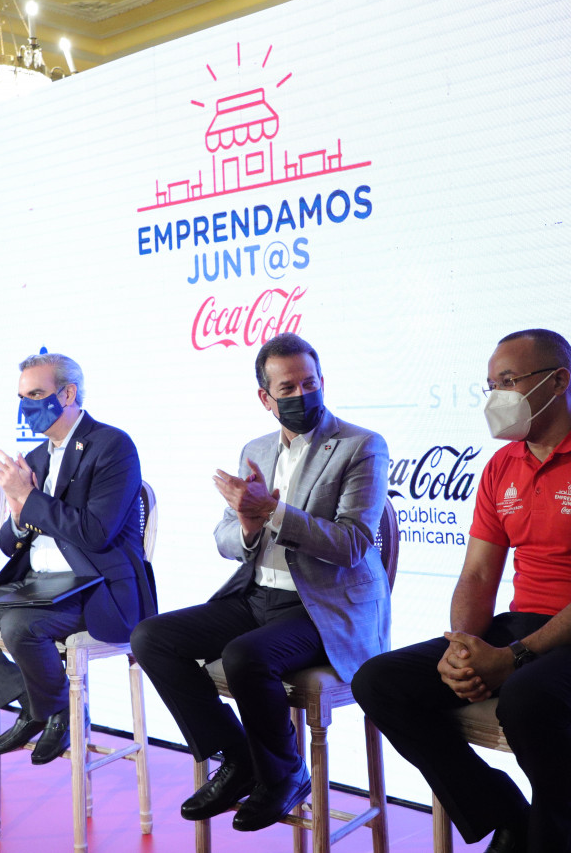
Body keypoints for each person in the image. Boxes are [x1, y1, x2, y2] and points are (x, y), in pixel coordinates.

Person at [351, 329, 571, 853]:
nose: (496, 397)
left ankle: (559, 835)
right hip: (525, 631)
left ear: (558, 381)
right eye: (490, 385)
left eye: (508, 381)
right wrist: (461, 646)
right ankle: (509, 816)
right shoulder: (502, 465)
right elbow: (478, 576)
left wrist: (515, 658)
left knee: (527, 697)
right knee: (379, 681)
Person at [130, 332, 391, 833]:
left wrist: (273, 511)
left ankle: (284, 773)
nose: (301, 395)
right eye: (287, 388)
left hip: (325, 607)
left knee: (245, 656)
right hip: (257, 596)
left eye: (309, 383)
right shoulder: (256, 449)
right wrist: (250, 525)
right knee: (151, 638)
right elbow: (225, 536)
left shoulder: (360, 445)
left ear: (322, 381)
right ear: (265, 398)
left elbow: (353, 543)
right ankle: (239, 757)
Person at [0, 352, 156, 765]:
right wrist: (16, 513)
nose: (26, 407)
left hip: (94, 587)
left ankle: (51, 710)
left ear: (68, 394)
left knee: (18, 625)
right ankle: (40, 703)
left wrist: (29, 497)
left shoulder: (112, 446)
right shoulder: (37, 459)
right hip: (35, 587)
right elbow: (10, 544)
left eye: (35, 395)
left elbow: (96, 532)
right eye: (22, 397)